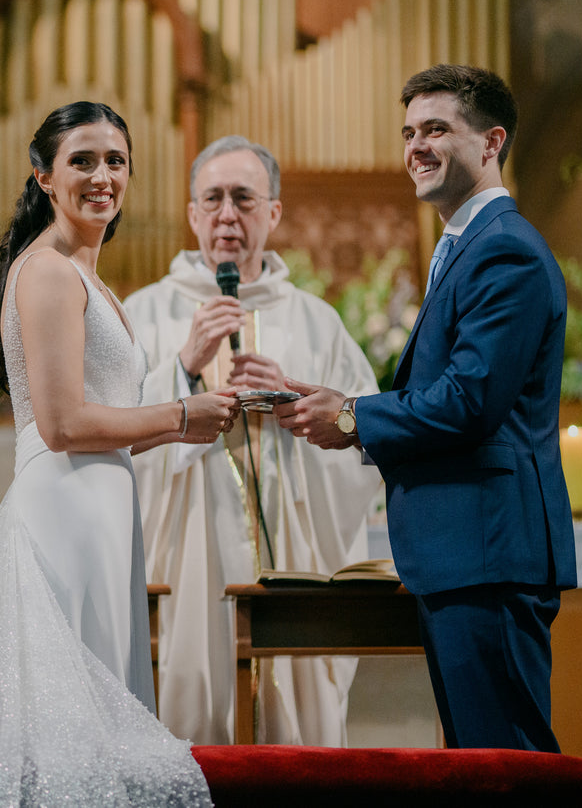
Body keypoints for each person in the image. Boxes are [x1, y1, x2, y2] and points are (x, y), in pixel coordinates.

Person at [0, 101, 238, 806]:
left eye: (115, 160)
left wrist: (186, 391)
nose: (102, 175)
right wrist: (184, 413)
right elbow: (62, 423)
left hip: (99, 505)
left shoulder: (84, 276)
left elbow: (106, 409)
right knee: (65, 723)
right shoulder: (50, 272)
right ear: (42, 175)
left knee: (96, 718)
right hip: (66, 508)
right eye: (82, 160)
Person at [275, 63, 577, 751]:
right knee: (478, 764)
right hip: (466, 553)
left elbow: (469, 402)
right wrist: (335, 405)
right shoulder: (464, 246)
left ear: (490, 141)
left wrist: (350, 417)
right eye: (408, 131)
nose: (415, 145)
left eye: (436, 128)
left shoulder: (504, 251)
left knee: (507, 767)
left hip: (489, 553)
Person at [123, 135, 384, 746]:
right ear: (191, 214)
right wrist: (183, 367)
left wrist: (296, 400)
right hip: (182, 565)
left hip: (293, 562)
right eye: (211, 199)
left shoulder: (317, 321)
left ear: (273, 212)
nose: (226, 216)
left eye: (243, 199)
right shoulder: (147, 312)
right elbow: (109, 433)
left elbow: (365, 439)